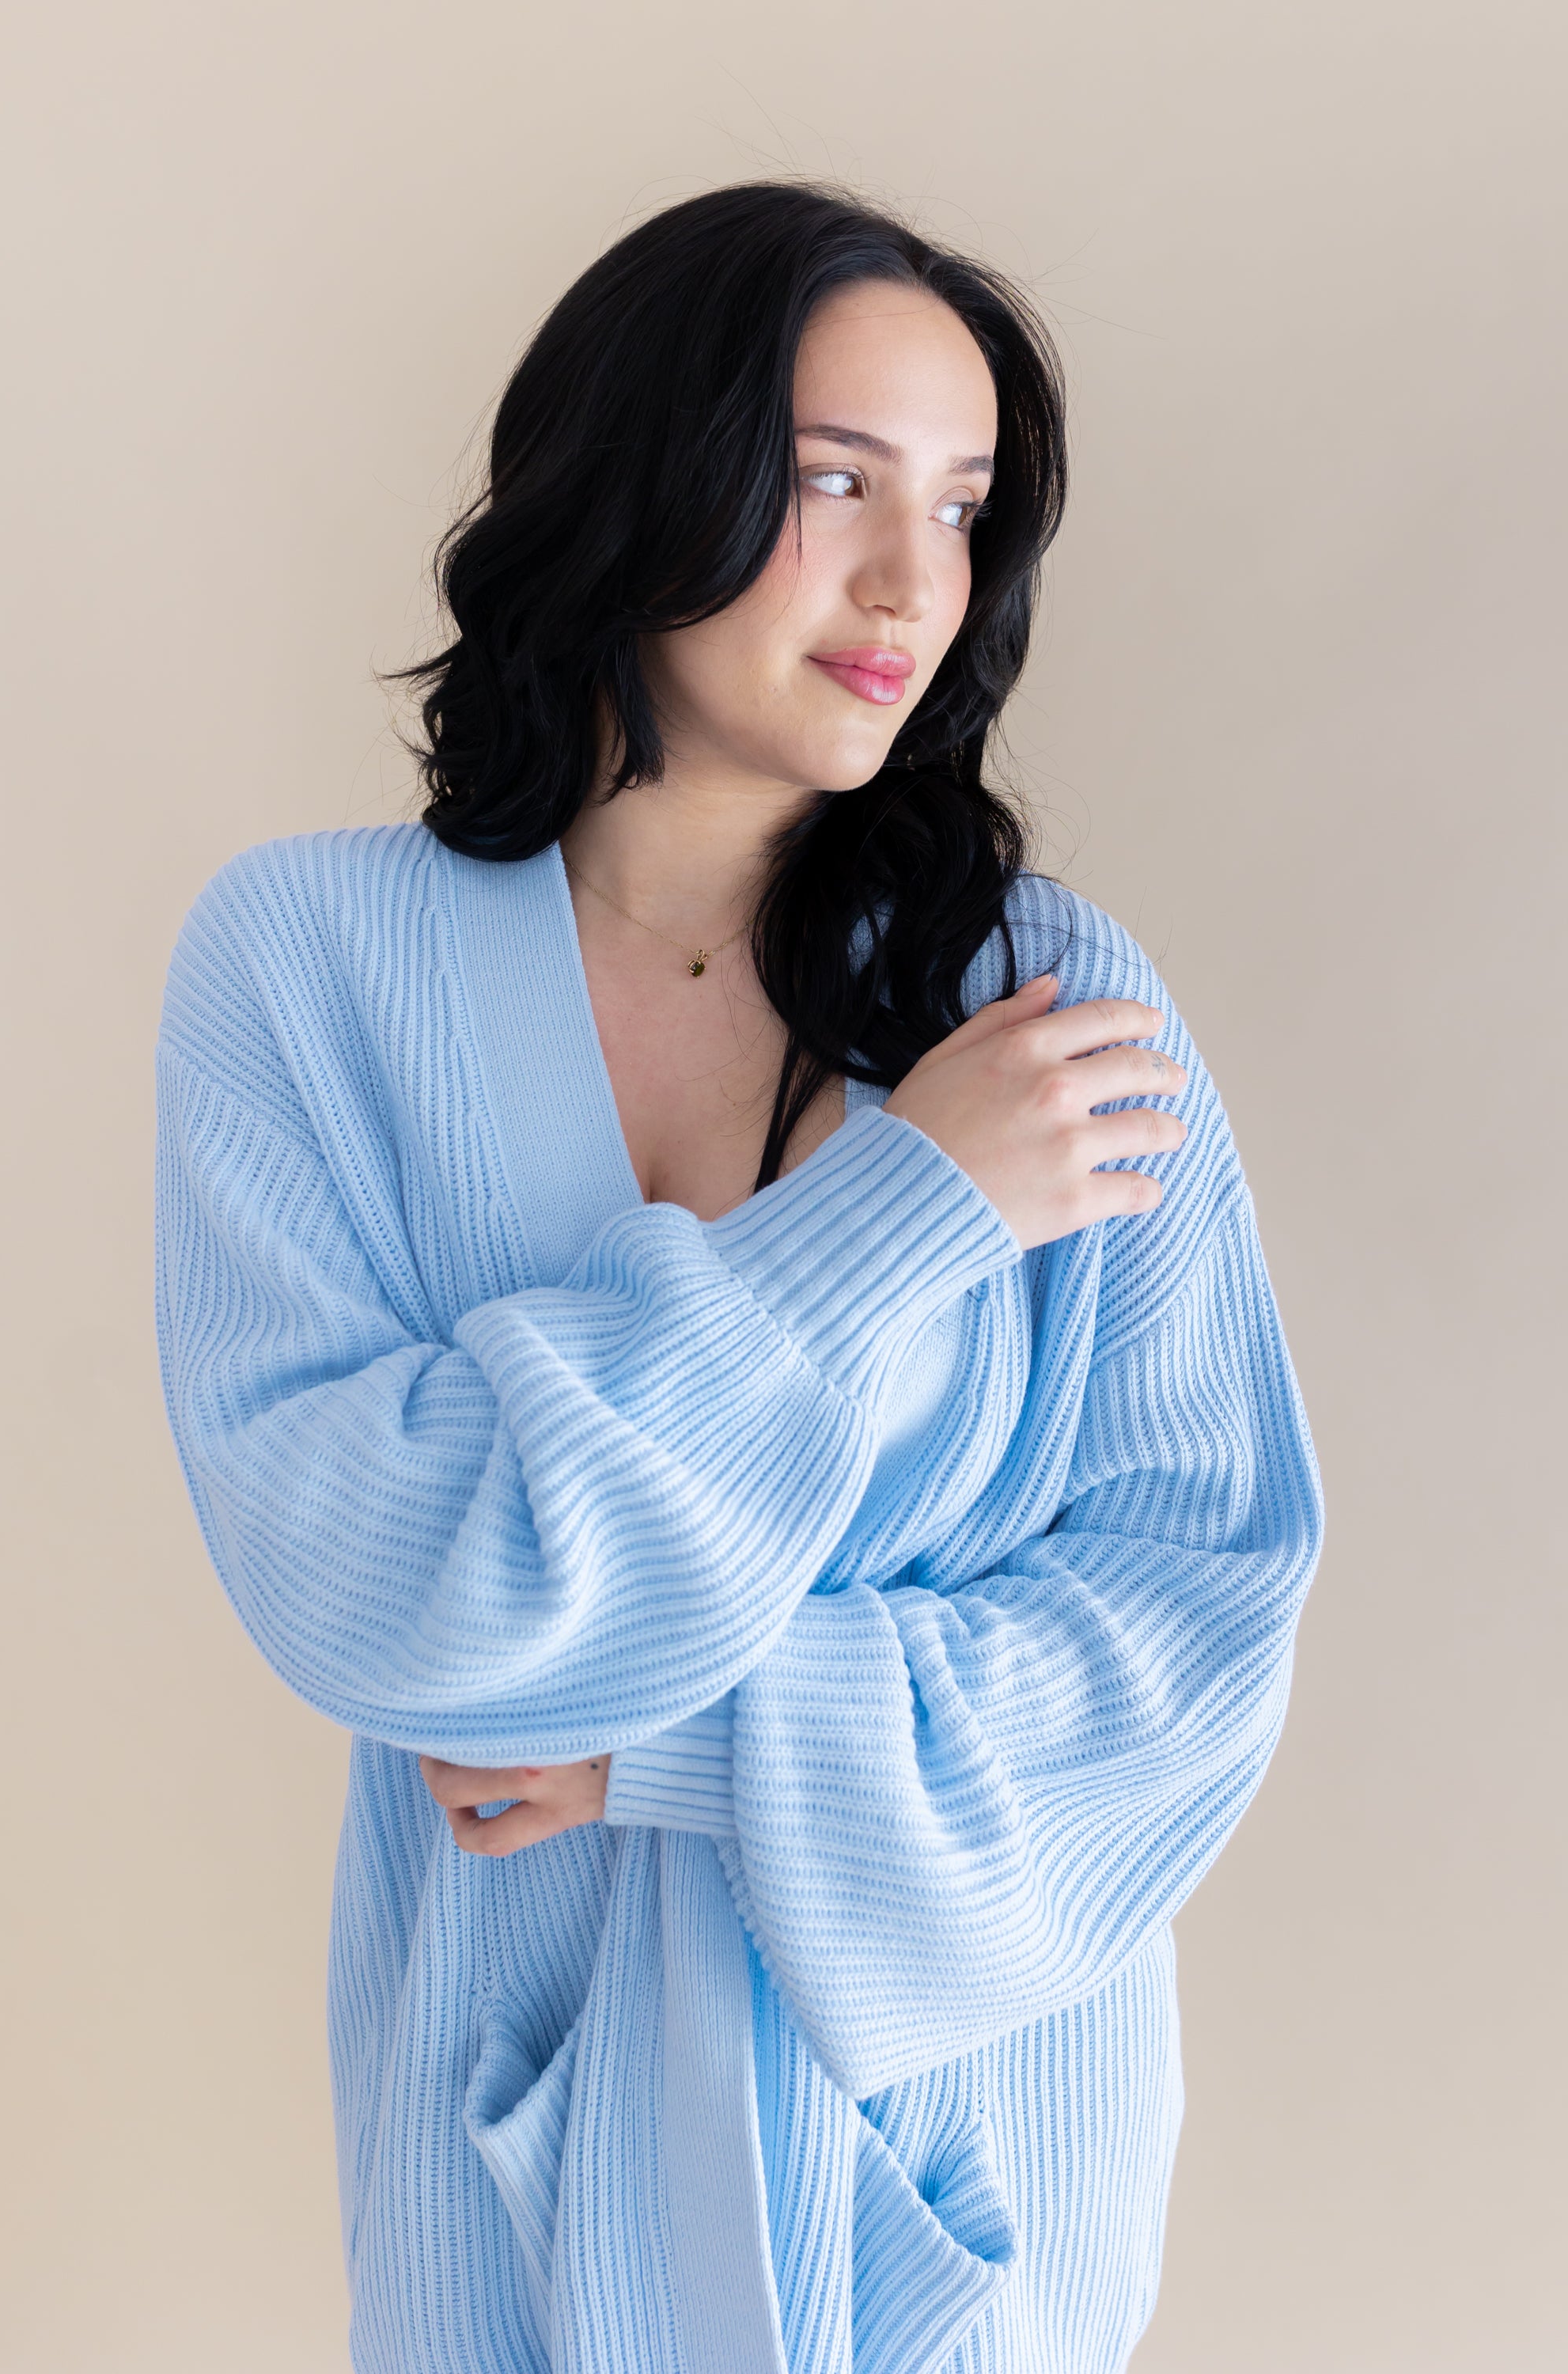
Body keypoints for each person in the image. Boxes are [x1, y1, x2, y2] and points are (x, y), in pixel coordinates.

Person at [154, 181, 1323, 2374]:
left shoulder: (1047, 1006)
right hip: (506, 2125)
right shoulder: (309, 970)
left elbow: (1194, 1630)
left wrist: (678, 1737)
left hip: (973, 2171)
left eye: (966, 508)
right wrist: (900, 1219)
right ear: (637, 474)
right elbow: (370, 1582)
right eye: (832, 484)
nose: (914, 581)